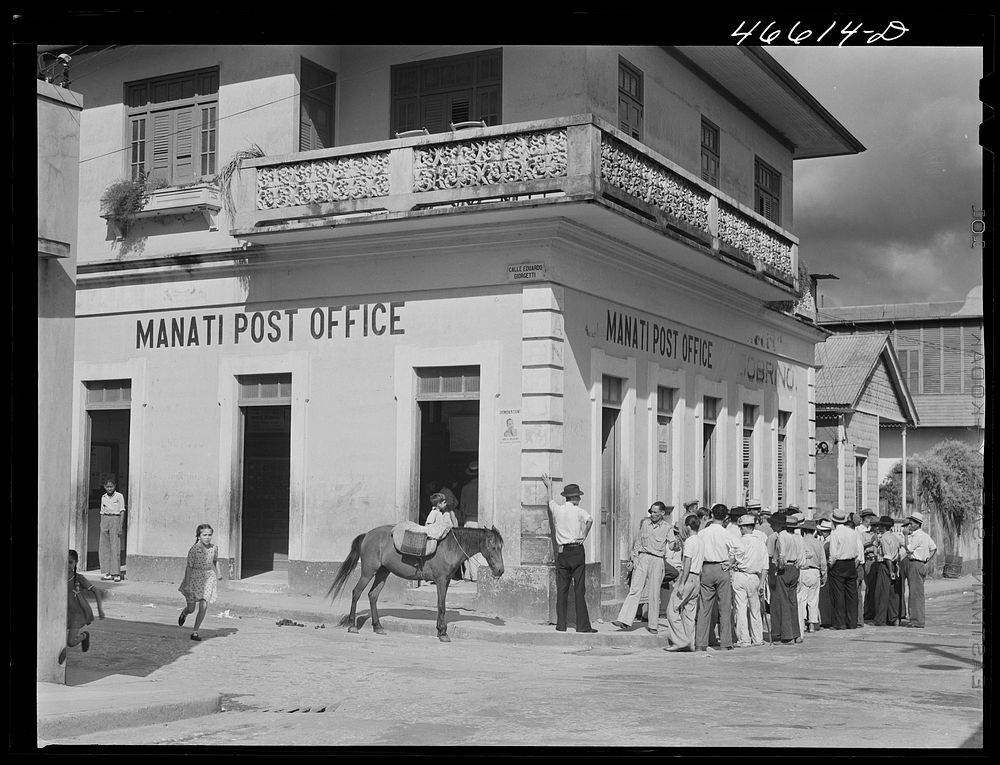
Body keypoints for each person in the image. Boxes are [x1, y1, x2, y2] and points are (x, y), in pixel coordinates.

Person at [542, 474, 597, 633]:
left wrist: (549, 486)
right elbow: (590, 520)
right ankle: (583, 626)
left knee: (562, 589)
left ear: (566, 497)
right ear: (576, 498)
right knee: (579, 589)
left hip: (563, 552)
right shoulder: (579, 511)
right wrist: (584, 535)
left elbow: (549, 501)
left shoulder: (557, 510)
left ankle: (561, 625)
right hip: (577, 550)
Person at [614, 502, 671, 634]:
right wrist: (633, 558)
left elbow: (672, 544)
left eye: (656, 512)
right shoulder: (645, 524)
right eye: (651, 512)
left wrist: (675, 545)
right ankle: (624, 620)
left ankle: (653, 625)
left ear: (662, 513)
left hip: (657, 560)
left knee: (654, 593)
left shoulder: (668, 528)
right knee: (635, 589)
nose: (653, 514)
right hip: (643, 558)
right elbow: (638, 542)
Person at [694, 503, 739, 652]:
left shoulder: (703, 533)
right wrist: (732, 562)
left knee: (704, 608)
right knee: (725, 607)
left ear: (711, 515)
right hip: (722, 568)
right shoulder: (726, 533)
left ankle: (701, 643)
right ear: (726, 517)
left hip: (706, 568)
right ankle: (725, 643)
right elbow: (740, 548)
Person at [664, 513, 703, 652]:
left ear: (687, 527)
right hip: (697, 578)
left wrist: (681, 583)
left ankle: (680, 640)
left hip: (688, 578)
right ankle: (690, 641)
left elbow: (687, 562)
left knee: (672, 610)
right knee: (689, 613)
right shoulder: (700, 540)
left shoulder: (690, 542)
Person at [178, 524, 222, 641]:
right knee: (192, 608)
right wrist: (187, 584)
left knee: (203, 605)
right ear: (199, 536)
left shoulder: (214, 548)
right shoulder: (194, 550)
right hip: (194, 579)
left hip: (208, 578)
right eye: (204, 535)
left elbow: (215, 560)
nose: (207, 537)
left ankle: (195, 632)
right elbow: (189, 567)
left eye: (209, 535)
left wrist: (218, 573)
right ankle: (185, 612)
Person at [62, 549, 105, 664]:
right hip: (62, 612)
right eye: (65, 562)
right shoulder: (58, 577)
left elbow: (95, 591)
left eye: (70, 562)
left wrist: (100, 609)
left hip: (77, 614)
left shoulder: (78, 578)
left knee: (71, 642)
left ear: (76, 563)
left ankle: (84, 636)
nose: (68, 565)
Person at [731, 514, 767, 648]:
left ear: (746, 527)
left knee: (740, 609)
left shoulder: (739, 541)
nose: (740, 529)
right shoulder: (760, 543)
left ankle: (744, 639)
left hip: (740, 575)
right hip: (755, 577)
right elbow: (765, 566)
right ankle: (757, 638)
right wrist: (762, 583)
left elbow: (732, 560)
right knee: (755, 610)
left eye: (741, 527)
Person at [900, 511, 938, 628]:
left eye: (912, 522)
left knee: (915, 594)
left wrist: (906, 535)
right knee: (917, 593)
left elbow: (909, 549)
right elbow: (934, 548)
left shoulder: (918, 536)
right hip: (920, 563)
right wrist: (927, 559)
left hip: (915, 564)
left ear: (917, 524)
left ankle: (917, 620)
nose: (910, 524)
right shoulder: (925, 535)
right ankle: (916, 618)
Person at [828, 509, 863, 630]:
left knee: (839, 595)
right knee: (852, 595)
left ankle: (840, 623)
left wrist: (830, 565)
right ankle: (852, 622)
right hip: (851, 564)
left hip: (839, 564)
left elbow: (833, 554)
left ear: (833, 521)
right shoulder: (852, 532)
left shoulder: (835, 533)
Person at [773, 513, 805, 643]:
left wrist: (779, 568)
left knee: (783, 601)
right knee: (793, 601)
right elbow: (802, 556)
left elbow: (782, 555)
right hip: (795, 568)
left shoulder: (782, 536)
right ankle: (796, 633)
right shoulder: (798, 537)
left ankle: (787, 635)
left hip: (785, 568)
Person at [872, 515, 902, 626]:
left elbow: (887, 556)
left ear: (884, 526)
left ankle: (881, 619)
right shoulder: (894, 537)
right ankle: (893, 617)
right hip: (894, 565)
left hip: (886, 566)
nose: (878, 527)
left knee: (881, 593)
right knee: (892, 594)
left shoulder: (884, 538)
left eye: (880, 525)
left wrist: (890, 572)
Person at [797, 520, 826, 633]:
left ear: (803, 530)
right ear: (814, 531)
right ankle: (812, 624)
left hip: (803, 571)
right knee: (813, 600)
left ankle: (803, 622)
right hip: (815, 572)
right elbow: (823, 561)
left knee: (802, 598)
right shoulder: (818, 543)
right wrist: (824, 574)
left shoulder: (800, 542)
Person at [99, 479, 127, 582]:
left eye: (111, 486)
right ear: (105, 487)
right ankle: (107, 572)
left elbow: (122, 511)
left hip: (115, 519)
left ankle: (116, 573)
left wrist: (120, 525)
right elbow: (102, 511)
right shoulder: (103, 497)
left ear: (115, 486)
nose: (109, 488)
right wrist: (102, 524)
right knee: (104, 547)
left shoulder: (119, 496)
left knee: (115, 546)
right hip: (105, 519)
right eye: (107, 487)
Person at [857, 509, 878, 625]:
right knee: (870, 586)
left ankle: (873, 610)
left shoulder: (874, 533)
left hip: (876, 560)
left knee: (875, 587)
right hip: (868, 559)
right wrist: (871, 541)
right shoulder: (861, 532)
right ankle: (868, 610)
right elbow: (860, 545)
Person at [459, 462, 479, 526]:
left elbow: (462, 507)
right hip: (481, 518)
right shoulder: (484, 488)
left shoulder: (465, 488)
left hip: (469, 520)